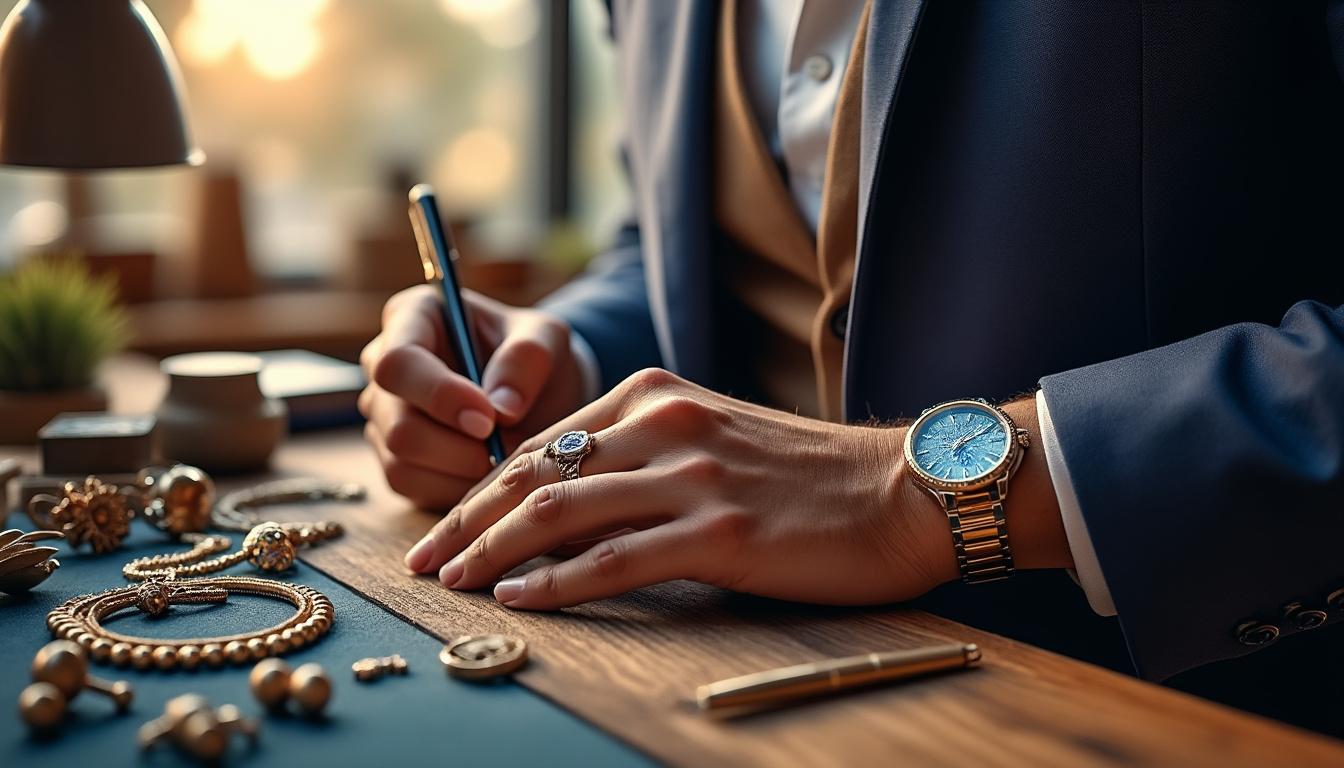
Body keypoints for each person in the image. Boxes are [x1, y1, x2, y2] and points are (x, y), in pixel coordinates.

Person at [359, 0, 1344, 732]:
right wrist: (561, 367)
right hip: (732, 693)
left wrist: (916, 492)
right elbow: (689, 244)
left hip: (1174, 711)